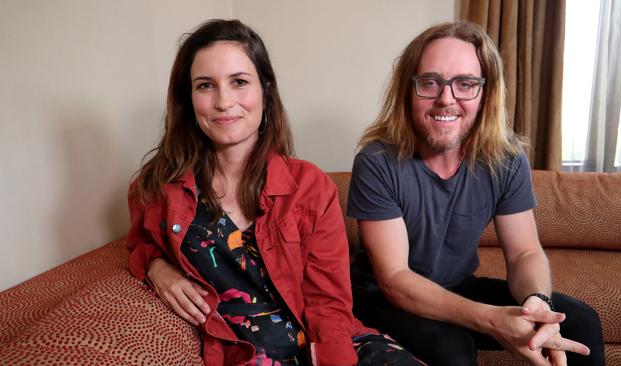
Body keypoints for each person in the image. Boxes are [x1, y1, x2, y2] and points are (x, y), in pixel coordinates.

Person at [126, 19, 423, 366]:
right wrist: (156, 267)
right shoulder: (157, 187)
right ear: (188, 99)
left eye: (239, 82)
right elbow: (137, 245)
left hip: (326, 345)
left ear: (265, 90)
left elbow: (328, 304)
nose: (223, 101)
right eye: (206, 85)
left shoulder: (311, 186)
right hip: (250, 354)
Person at [347, 21, 605, 366]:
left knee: (580, 324)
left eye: (465, 84)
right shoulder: (377, 162)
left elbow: (524, 253)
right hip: (384, 299)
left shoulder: (506, 158)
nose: (446, 99)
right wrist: (491, 319)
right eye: (430, 82)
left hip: (458, 287)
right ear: (409, 89)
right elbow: (395, 279)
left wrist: (536, 302)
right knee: (452, 350)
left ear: (486, 93)